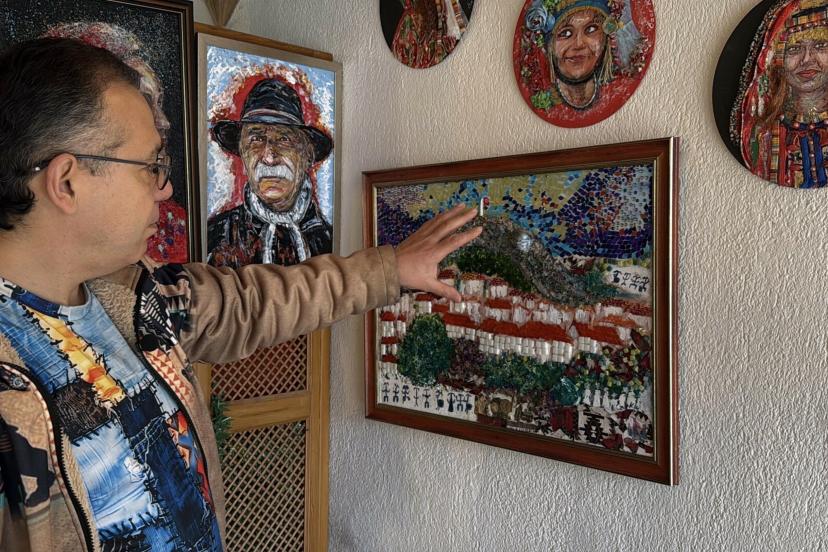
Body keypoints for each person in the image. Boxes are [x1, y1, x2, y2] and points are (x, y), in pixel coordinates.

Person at [0, 38, 480, 551]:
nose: (165, 188)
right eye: (150, 166)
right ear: (67, 183)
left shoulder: (140, 295)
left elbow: (257, 303)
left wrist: (391, 269)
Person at [207, 78, 333, 268]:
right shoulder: (216, 237)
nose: (269, 158)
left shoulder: (328, 240)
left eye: (284, 139)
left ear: (307, 155)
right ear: (243, 152)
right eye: (256, 139)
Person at [735, 0, 828, 188]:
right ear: (777, 59)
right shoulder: (761, 138)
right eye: (794, 49)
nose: (807, 59)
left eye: (820, 46)